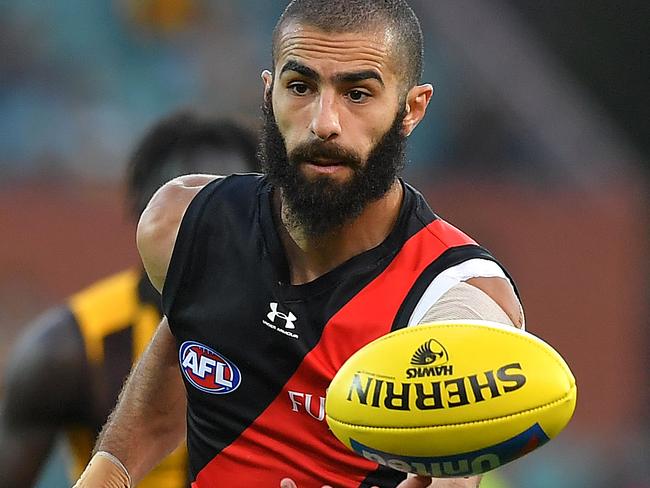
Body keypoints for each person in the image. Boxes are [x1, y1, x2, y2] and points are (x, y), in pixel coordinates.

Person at [74, 1, 526, 487]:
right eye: (301, 87)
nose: (323, 122)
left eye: (357, 93)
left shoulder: (457, 304)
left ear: (411, 109)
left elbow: (450, 479)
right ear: (269, 95)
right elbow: (181, 354)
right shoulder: (184, 226)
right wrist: (110, 475)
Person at [0, 111, 259, 488]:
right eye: (182, 207)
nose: (205, 227)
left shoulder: (304, 329)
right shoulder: (68, 349)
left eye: (227, 206)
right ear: (141, 209)